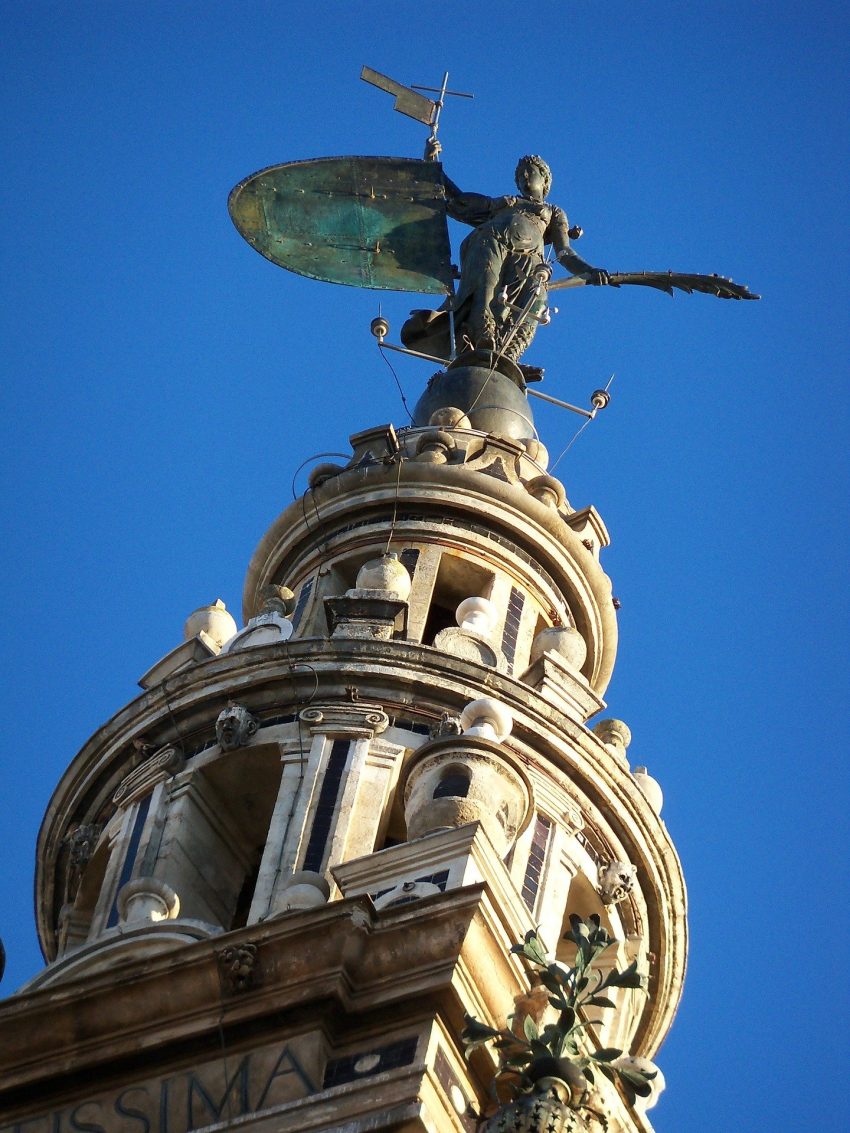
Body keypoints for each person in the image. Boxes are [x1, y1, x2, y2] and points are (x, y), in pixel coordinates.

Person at [402, 154, 608, 364]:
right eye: (520, 175)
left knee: (535, 302)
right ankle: (483, 336)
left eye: (529, 171)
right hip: (490, 242)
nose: (524, 177)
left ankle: (508, 357)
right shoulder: (505, 203)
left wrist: (590, 271)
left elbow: (564, 253)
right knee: (485, 290)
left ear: (544, 178)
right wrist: (435, 169)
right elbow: (461, 200)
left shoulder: (553, 212)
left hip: (530, 261)